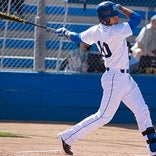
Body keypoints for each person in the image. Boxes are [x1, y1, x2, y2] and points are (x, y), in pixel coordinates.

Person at [55, 1, 156, 156]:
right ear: (107, 19)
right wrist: (122, 8)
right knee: (103, 116)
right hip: (115, 78)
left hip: (124, 78)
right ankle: (67, 137)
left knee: (142, 111)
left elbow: (77, 37)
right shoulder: (116, 31)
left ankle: (153, 149)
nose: (117, 17)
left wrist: (65, 32)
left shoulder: (96, 30)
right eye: (114, 16)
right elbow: (136, 18)